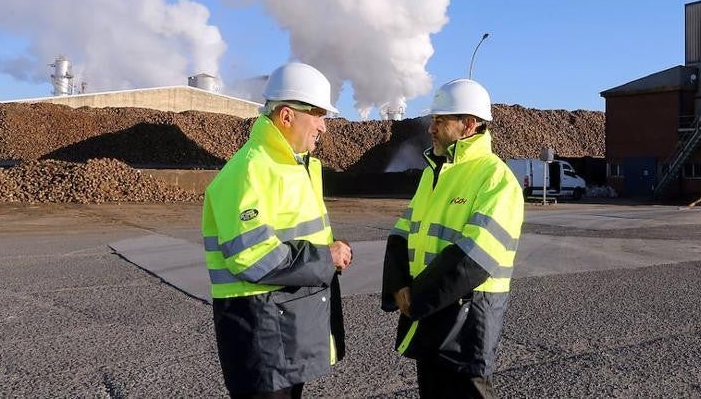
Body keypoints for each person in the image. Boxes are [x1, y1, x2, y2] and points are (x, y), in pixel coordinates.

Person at [203, 61, 354, 399]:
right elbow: (250, 254)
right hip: (260, 336)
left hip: (280, 332)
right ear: (287, 116)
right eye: (318, 114)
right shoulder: (251, 169)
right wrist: (325, 257)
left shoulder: (290, 167)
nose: (324, 127)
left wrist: (328, 251)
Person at [381, 78, 525, 399]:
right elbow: (401, 233)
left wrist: (415, 297)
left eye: (440, 120)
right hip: (431, 309)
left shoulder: (495, 178)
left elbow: (477, 255)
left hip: (467, 317)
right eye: (432, 120)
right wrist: (398, 284)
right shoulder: (436, 173)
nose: (431, 128)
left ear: (469, 124)